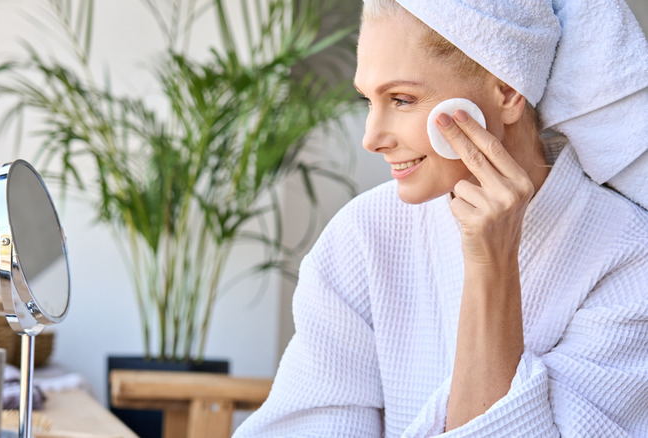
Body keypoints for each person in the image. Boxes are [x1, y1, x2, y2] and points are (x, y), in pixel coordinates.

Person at [233, 0, 648, 436]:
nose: (371, 138)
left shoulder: (629, 261)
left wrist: (492, 267)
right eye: (368, 101)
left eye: (401, 99)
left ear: (506, 90)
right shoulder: (362, 236)